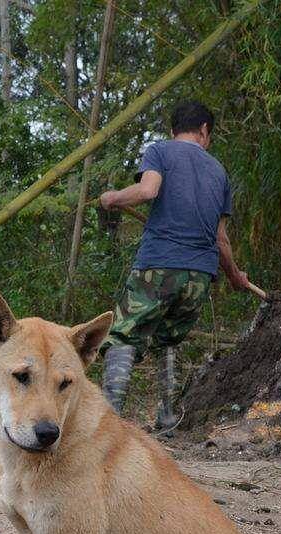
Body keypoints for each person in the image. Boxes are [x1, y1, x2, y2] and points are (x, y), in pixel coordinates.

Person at [97, 99, 250, 430]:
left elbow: (148, 190)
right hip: (199, 277)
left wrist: (113, 198)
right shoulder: (219, 172)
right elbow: (221, 240)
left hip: (160, 266)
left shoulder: (161, 151)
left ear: (174, 130)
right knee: (168, 340)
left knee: (123, 337)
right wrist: (235, 276)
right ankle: (168, 418)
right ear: (204, 130)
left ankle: (107, 424)